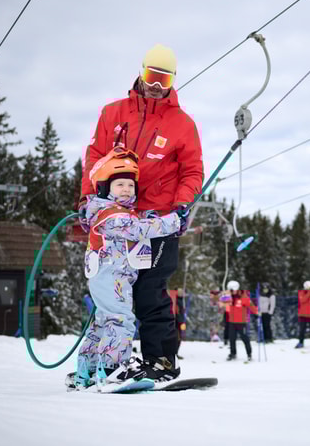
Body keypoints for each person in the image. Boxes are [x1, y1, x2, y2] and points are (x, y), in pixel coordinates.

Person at [79, 44, 203, 384]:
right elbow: (95, 158)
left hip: (158, 220)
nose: (156, 86)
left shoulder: (182, 124)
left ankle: (160, 359)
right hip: (118, 219)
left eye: (164, 80)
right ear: (141, 72)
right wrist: (88, 199)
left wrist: (181, 205)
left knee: (151, 288)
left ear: (173, 81)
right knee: (114, 290)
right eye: (152, 77)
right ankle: (98, 363)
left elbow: (193, 171)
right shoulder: (113, 113)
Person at [71, 148, 183, 391]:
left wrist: (151, 216)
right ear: (103, 188)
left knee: (103, 323)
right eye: (119, 184)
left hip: (113, 278)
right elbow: (137, 230)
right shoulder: (108, 214)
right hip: (110, 277)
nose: (126, 189)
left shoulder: (119, 213)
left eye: (130, 186)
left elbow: (136, 221)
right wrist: (172, 221)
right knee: (120, 320)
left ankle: (87, 371)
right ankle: (113, 369)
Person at [219, 280, 258, 361]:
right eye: (229, 290)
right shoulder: (228, 297)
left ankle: (249, 354)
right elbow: (221, 304)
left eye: (232, 290)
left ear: (236, 289)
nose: (231, 291)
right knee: (232, 338)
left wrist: (257, 312)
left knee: (245, 338)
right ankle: (233, 354)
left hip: (241, 322)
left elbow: (251, 306)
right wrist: (222, 298)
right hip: (231, 322)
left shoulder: (243, 297)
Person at [171, 288, 187, 359]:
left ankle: (175, 353)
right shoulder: (176, 300)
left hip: (180, 322)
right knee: (177, 338)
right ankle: (174, 353)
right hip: (177, 322)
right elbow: (177, 312)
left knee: (179, 338)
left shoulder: (181, 300)